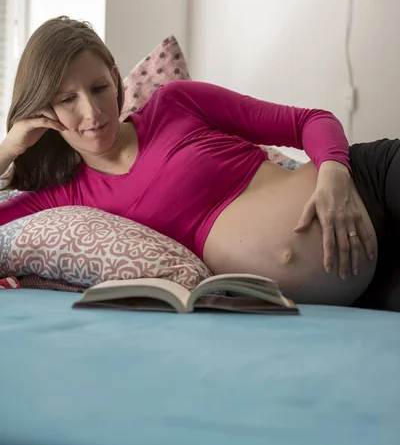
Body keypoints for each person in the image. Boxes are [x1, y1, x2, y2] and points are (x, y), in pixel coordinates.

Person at [0, 16, 399, 311]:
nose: (92, 110)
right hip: (366, 293)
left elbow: (309, 121)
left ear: (117, 79)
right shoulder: (67, 195)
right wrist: (9, 148)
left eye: (99, 88)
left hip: (370, 185)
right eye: (67, 99)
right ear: (43, 111)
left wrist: (334, 175)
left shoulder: (175, 103)